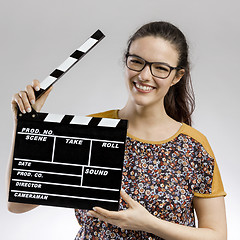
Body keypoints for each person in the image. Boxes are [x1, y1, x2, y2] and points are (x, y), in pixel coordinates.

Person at [8, 21, 227, 239]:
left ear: (177, 76)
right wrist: (25, 124)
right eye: (136, 62)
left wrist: (149, 224)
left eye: (160, 68)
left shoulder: (193, 146)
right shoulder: (89, 132)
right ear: (126, 62)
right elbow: (17, 204)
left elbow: (217, 235)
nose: (144, 76)